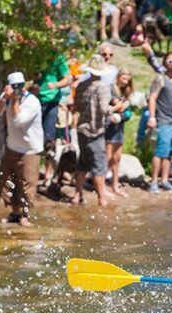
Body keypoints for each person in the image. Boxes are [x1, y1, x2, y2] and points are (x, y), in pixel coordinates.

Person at [0, 71, 43, 227]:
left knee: (27, 185)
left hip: (29, 151)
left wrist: (14, 100)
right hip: (11, 147)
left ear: (24, 85)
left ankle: (25, 215)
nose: (17, 89)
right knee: (8, 182)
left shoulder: (32, 102)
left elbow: (18, 120)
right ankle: (14, 213)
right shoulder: (7, 97)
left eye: (20, 86)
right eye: (14, 87)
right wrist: (4, 99)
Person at [72, 55, 113, 207]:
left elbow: (76, 107)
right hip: (95, 132)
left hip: (81, 129)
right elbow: (104, 108)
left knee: (82, 163)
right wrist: (116, 109)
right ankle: (102, 198)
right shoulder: (102, 86)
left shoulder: (82, 85)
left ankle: (77, 195)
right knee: (99, 166)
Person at [148, 51, 172, 194]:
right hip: (164, 120)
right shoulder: (160, 79)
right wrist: (152, 117)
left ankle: (164, 180)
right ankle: (153, 181)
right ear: (165, 63)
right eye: (170, 61)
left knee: (170, 153)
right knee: (160, 152)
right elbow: (152, 98)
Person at [37, 50, 73, 190]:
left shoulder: (58, 57)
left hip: (52, 101)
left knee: (49, 141)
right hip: (35, 100)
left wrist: (56, 85)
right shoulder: (34, 55)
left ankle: (48, 175)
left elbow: (68, 79)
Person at [106, 68, 134, 197]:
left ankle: (114, 186)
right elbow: (120, 107)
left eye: (128, 76)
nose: (126, 78)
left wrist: (125, 108)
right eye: (124, 75)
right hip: (108, 127)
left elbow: (126, 111)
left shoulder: (125, 92)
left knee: (117, 157)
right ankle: (102, 185)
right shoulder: (111, 88)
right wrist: (126, 104)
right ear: (118, 75)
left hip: (119, 127)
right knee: (107, 157)